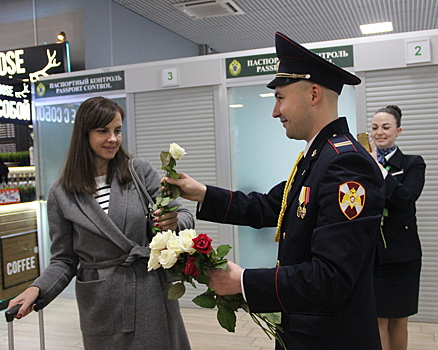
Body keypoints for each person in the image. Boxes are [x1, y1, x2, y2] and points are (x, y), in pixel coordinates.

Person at [165, 32, 385, 349]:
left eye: (280, 98)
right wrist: (201, 193)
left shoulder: (345, 164)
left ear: (313, 94)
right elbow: (270, 206)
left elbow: (332, 276)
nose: (275, 111)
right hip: (306, 331)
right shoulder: (318, 157)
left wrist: (243, 281)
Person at [8, 96, 193, 350]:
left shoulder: (138, 172)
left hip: (150, 293)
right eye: (102, 131)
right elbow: (64, 260)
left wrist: (173, 223)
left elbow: (184, 215)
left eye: (117, 131)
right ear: (84, 134)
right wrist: (38, 289)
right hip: (102, 302)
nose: (113, 139)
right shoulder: (62, 194)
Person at [369, 105, 426, 350]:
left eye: (385, 127)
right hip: (373, 254)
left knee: (398, 320)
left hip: (403, 254)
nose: (379, 133)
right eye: (374, 128)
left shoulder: (413, 163)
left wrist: (379, 170)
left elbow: (405, 198)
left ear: (398, 131)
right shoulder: (362, 164)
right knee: (378, 319)